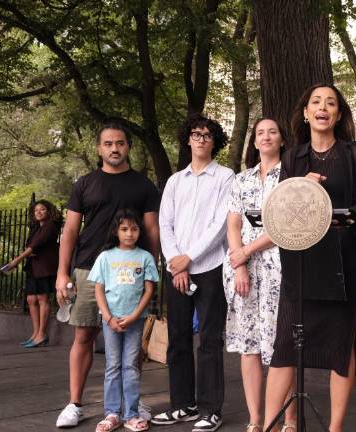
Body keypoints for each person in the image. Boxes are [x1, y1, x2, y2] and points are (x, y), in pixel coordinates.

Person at [263, 84, 356, 432]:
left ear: (339, 115)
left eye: (331, 103)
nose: (323, 107)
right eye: (316, 102)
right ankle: (271, 424)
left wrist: (328, 208)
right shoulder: (293, 158)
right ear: (305, 113)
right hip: (302, 263)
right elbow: (281, 207)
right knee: (285, 345)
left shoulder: (354, 152)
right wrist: (301, 186)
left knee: (341, 349)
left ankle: (335, 428)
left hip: (344, 261)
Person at [55, 121, 161, 428]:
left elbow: (152, 230)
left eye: (120, 143)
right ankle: (75, 403)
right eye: (108, 144)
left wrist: (150, 274)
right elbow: (71, 229)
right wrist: (63, 273)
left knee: (131, 342)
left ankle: (131, 402)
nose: (115, 148)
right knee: (84, 336)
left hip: (131, 273)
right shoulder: (85, 184)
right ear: (100, 148)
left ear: (128, 146)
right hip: (89, 270)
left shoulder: (144, 186)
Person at [153, 113, 234, 432]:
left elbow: (220, 225)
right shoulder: (175, 181)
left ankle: (211, 409)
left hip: (211, 267)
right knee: (178, 339)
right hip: (178, 271)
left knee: (211, 340)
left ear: (215, 142)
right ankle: (182, 405)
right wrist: (176, 261)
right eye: (196, 134)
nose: (201, 139)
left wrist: (190, 258)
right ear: (187, 139)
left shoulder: (226, 177)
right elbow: (165, 224)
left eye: (207, 135)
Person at [223, 118, 296, 432]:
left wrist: (247, 251)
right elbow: (233, 225)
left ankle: (288, 419)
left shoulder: (291, 177)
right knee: (249, 344)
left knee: (281, 345)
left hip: (280, 268)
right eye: (260, 133)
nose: (266, 137)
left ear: (281, 140)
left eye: (272, 132)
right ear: (254, 142)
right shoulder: (241, 179)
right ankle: (256, 420)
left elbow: (286, 225)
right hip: (244, 272)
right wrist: (239, 263)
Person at [90, 209, 158, 432]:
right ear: (116, 231)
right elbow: (98, 289)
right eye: (124, 229)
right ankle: (111, 413)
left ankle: (131, 413)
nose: (130, 234)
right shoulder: (106, 257)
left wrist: (135, 315)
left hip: (134, 320)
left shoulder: (145, 257)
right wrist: (108, 318)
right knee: (113, 365)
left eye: (134, 229)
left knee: (130, 365)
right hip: (111, 320)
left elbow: (149, 289)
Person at [4, 199, 61, 348]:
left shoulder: (50, 226)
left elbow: (35, 246)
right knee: (31, 300)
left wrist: (16, 261)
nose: (38, 212)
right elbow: (31, 247)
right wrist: (28, 254)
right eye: (36, 210)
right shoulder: (36, 227)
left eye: (42, 209)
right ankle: (36, 333)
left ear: (48, 211)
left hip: (44, 268)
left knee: (42, 298)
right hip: (33, 268)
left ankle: (42, 333)